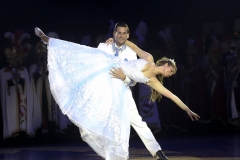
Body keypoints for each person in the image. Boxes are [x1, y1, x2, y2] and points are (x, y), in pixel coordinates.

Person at [34, 27, 200, 160]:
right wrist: (114, 40)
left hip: (120, 86)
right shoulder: (148, 58)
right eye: (169, 70)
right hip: (108, 67)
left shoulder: (153, 81)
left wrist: (187, 109)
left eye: (170, 74)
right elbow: (132, 45)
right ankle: (49, 41)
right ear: (165, 64)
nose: (168, 73)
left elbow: (172, 95)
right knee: (84, 54)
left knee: (135, 122)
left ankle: (156, 152)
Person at [97, 22, 166, 160]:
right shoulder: (104, 47)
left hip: (123, 91)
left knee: (138, 122)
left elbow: (133, 80)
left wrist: (124, 78)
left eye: (124, 33)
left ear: (128, 35)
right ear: (114, 34)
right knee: (109, 123)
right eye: (119, 33)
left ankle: (157, 151)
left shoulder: (132, 53)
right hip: (107, 92)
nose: (121, 36)